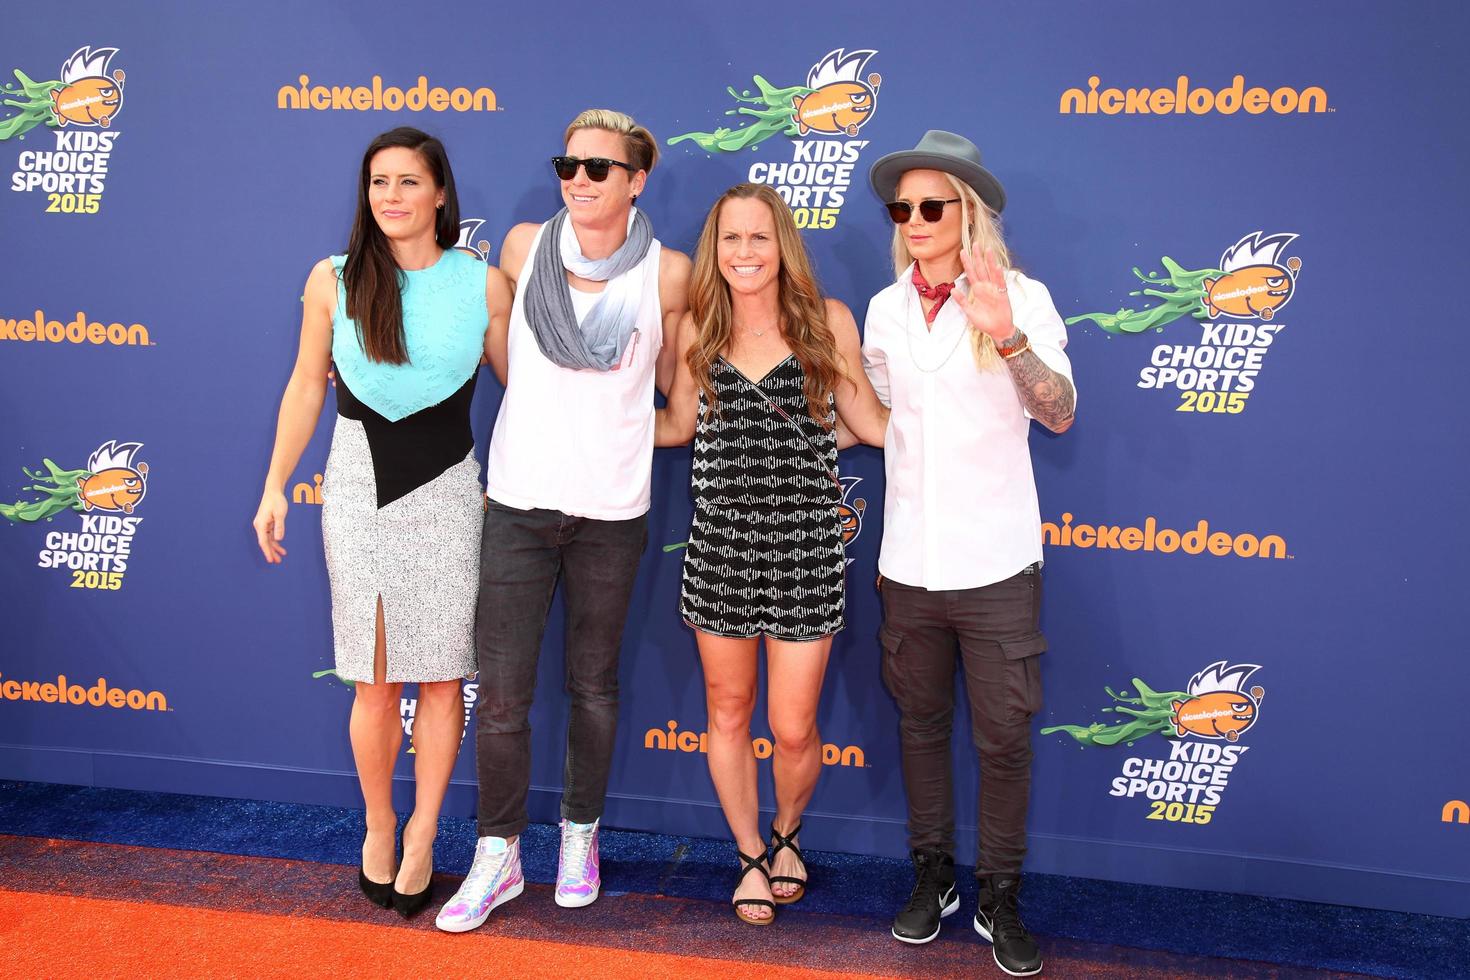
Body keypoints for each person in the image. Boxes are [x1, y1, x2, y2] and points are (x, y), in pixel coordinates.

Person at [435, 109, 691, 933]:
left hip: (612, 514)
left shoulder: (670, 274)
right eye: (569, 163)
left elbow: (677, 411)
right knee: (503, 699)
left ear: (636, 180)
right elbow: (506, 361)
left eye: (599, 168)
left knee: (593, 689)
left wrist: (613, 427)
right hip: (516, 504)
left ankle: (579, 837)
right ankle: (498, 855)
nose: (578, 179)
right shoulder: (519, 248)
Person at [252, 127, 512, 919]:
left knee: (441, 677)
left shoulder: (483, 284)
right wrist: (274, 486)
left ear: (440, 194)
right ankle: (378, 824)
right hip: (358, 486)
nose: (390, 197)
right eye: (378, 183)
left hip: (448, 493)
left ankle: (428, 831)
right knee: (372, 678)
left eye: (407, 182)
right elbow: (305, 385)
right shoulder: (332, 280)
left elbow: (529, 396)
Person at [858, 130, 1076, 976]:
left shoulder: (1021, 295)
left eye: (929, 206)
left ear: (968, 213)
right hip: (908, 566)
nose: (912, 219)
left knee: (1004, 739)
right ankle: (932, 878)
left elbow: (1058, 414)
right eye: (900, 207)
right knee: (918, 729)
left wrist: (1009, 336)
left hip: (997, 565)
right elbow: (883, 420)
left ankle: (1001, 894)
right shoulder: (883, 308)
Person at [655, 183, 888, 925]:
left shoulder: (827, 324)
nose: (744, 252)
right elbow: (676, 429)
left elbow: (870, 425)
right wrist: (585, 420)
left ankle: (789, 830)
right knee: (728, 712)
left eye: (759, 237)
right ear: (714, 250)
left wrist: (959, 400)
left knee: (792, 726)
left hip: (806, 550)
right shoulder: (696, 331)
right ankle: (751, 851)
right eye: (730, 239)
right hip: (721, 546)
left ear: (782, 245)